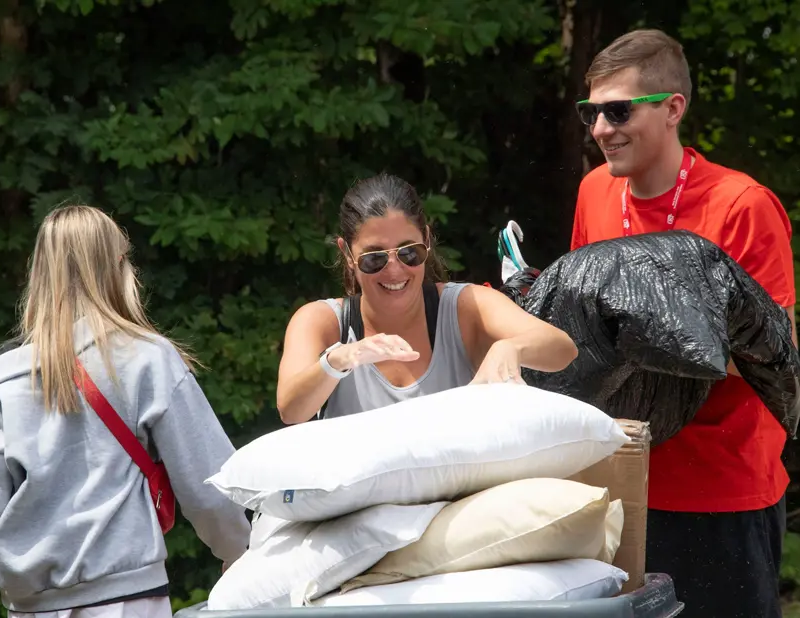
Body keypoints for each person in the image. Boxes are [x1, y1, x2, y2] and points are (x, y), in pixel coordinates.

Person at [0, 205, 250, 617]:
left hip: (30, 607)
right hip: (127, 602)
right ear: (117, 265)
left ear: (37, 271)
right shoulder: (145, 358)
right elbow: (210, 486)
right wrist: (240, 555)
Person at [571, 29, 796, 618]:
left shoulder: (742, 204)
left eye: (618, 110)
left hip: (721, 488)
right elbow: (582, 325)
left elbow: (773, 349)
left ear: (673, 108)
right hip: (616, 480)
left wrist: (636, 342)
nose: (600, 129)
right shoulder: (595, 192)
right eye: (590, 112)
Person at [276, 172, 578, 424]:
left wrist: (510, 347)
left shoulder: (465, 306)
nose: (394, 270)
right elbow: (291, 410)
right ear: (347, 254)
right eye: (374, 258)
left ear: (428, 241)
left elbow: (563, 349)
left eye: (409, 253)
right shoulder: (323, 322)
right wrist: (341, 358)